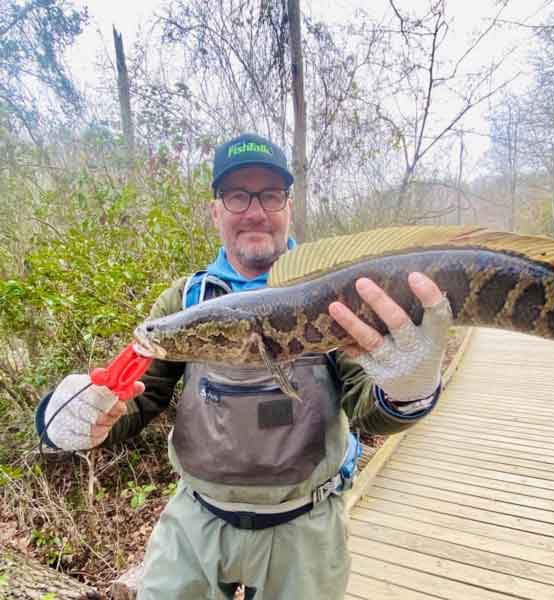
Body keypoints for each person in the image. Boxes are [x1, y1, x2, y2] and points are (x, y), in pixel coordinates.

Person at [35, 133, 452, 599]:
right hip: (197, 522)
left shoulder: (336, 297)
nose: (255, 211)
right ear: (216, 211)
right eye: (237, 195)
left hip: (305, 528)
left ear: (288, 206)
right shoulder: (183, 301)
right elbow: (138, 397)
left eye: (270, 194)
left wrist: (408, 392)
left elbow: (364, 409)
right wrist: (79, 416)